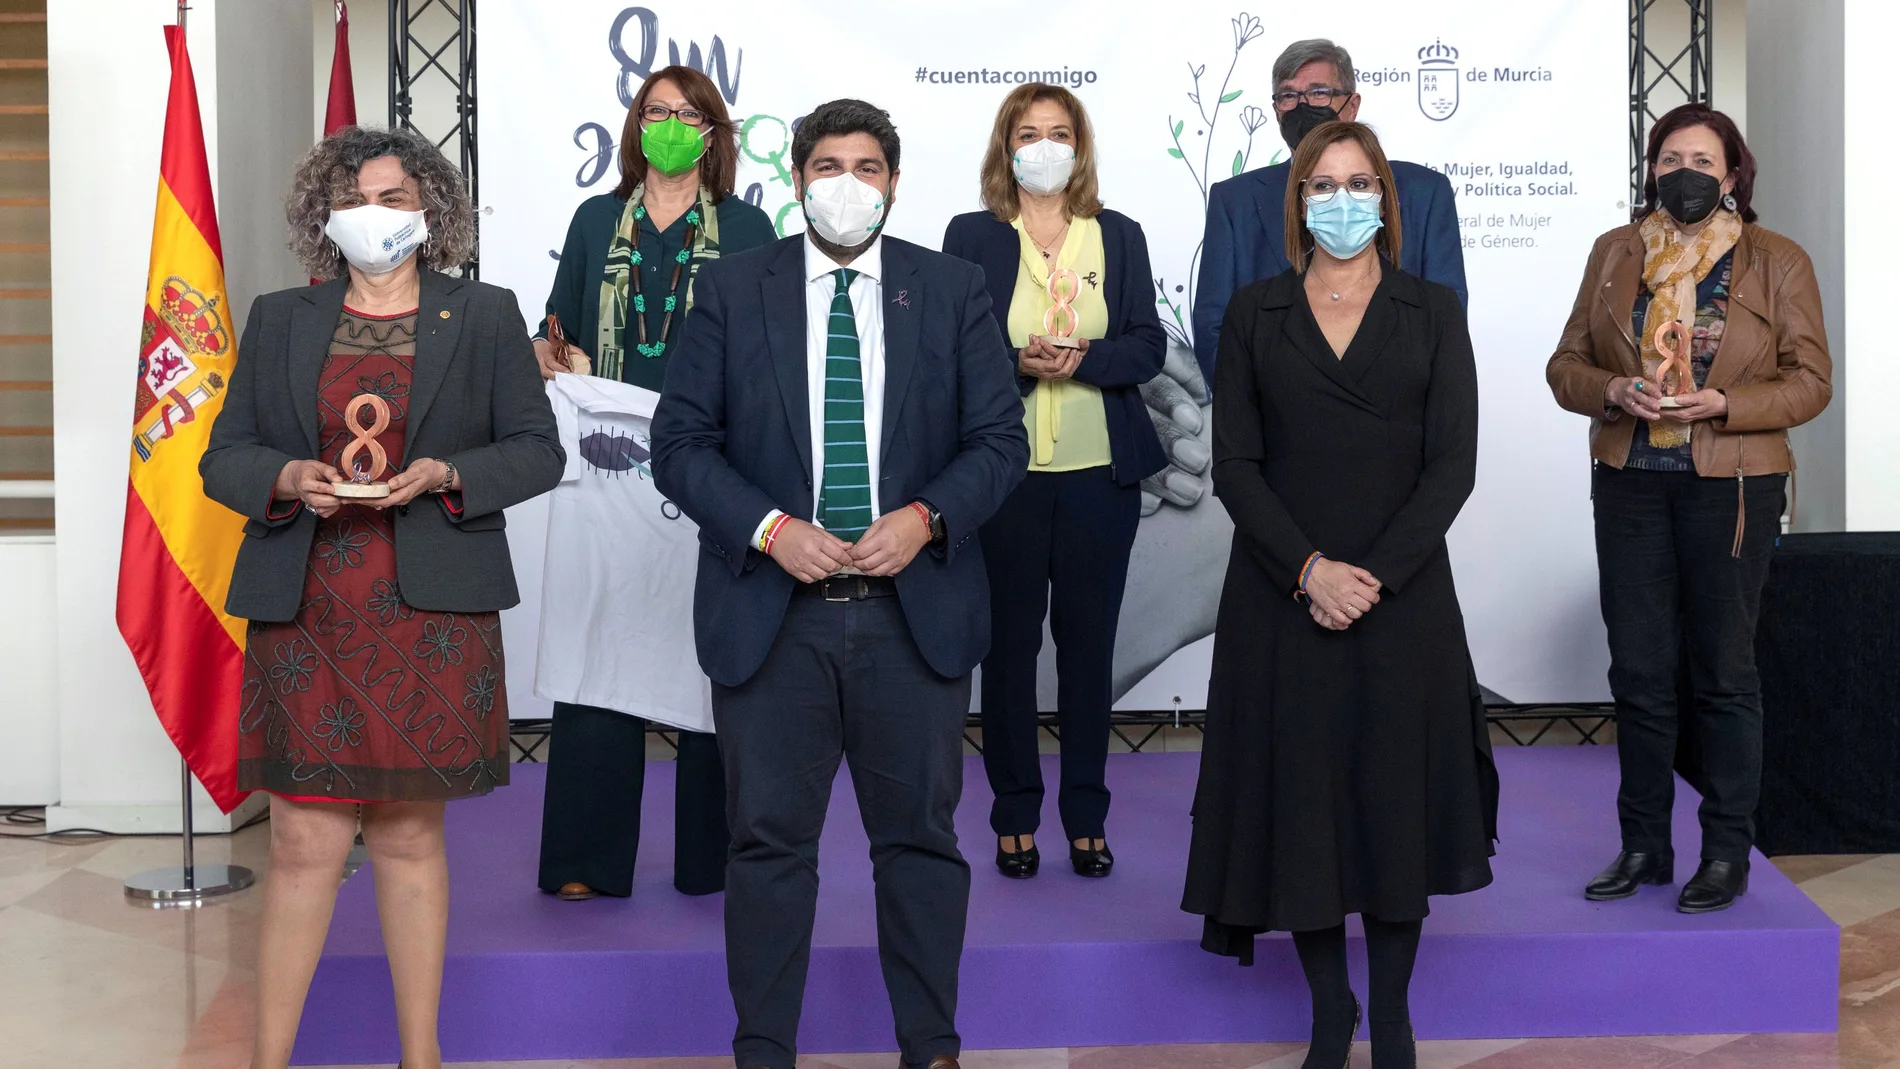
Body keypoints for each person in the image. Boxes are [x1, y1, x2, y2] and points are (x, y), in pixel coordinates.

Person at [651, 98, 1027, 1069]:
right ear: (797, 179)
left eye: (866, 167)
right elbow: (680, 445)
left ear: (894, 183)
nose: (846, 184)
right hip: (773, 621)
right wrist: (772, 530)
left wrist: (926, 517)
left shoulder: (949, 290)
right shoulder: (733, 289)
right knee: (768, 848)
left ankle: (931, 1047)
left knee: (919, 844)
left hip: (915, 618)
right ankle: (763, 1049)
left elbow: (999, 442)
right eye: (826, 166)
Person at [200, 126, 563, 1069]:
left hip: (430, 617)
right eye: (357, 199)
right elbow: (223, 454)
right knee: (304, 845)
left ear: (432, 211)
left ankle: (421, 1057)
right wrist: (286, 476)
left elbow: (536, 449)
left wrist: (447, 469)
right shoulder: (282, 315)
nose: (377, 214)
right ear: (327, 217)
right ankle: (267, 1060)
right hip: (309, 604)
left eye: (396, 198)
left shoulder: (484, 314)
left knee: (408, 840)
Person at [1182, 121, 1497, 1069]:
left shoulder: (1433, 309)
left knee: (1394, 800)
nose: (1342, 200)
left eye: (1360, 183)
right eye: (1323, 185)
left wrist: (1374, 576)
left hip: (1403, 598)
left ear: (1388, 204)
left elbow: (1453, 466)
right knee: (1301, 804)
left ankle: (1393, 1016)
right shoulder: (1254, 313)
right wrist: (1309, 570)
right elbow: (1234, 464)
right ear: (1297, 203)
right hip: (1282, 595)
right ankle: (1331, 1012)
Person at [1547, 103, 1831, 914]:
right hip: (1631, 477)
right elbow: (1564, 363)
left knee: (1723, 671)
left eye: (1705, 161)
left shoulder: (1779, 260)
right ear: (1650, 167)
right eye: (1672, 157)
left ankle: (1726, 851)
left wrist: (1726, 403)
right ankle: (1644, 844)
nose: (1687, 173)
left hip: (1733, 484)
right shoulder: (1616, 251)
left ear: (1734, 174)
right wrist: (1610, 387)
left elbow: (1812, 380)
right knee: (1638, 671)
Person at [531, 64, 777, 903]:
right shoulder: (597, 218)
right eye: (656, 111)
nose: (670, 124)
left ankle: (714, 860)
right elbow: (553, 326)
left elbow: (770, 346)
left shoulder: (750, 228)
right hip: (612, 463)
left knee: (714, 650)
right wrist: (549, 357)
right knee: (607, 632)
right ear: (636, 126)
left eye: (688, 114)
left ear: (712, 133)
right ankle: (585, 857)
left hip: (714, 459)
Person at [942, 84, 1167, 881]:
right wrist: (1018, 366)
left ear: (1082, 145)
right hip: (1003, 481)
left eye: (1059, 132)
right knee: (1006, 653)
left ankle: (1086, 816)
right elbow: (951, 351)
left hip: (1100, 479)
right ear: (1006, 146)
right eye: (1029, 133)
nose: (1045, 146)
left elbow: (1146, 345)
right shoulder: (972, 235)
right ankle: (1013, 815)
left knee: (1087, 651)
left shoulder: (1121, 236)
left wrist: (1083, 361)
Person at [1193, 38, 1467, 382]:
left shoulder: (1424, 191)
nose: (1303, 105)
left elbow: (1447, 322)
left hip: (1393, 414)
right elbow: (1213, 325)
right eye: (1289, 95)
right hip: (1277, 418)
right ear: (1276, 109)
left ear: (1352, 106)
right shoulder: (1235, 200)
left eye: (1319, 92)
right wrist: (1245, 412)